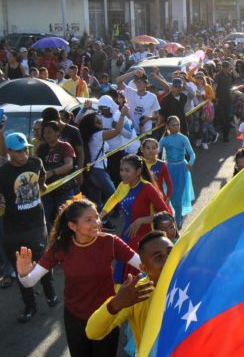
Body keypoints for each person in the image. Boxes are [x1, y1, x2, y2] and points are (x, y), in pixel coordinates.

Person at [15, 199, 140, 356]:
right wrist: (23, 274)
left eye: (96, 217)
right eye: (89, 220)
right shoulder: (61, 247)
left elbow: (144, 265)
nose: (96, 223)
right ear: (72, 226)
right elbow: (30, 281)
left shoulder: (111, 242)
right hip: (75, 318)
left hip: (106, 315)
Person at [0, 132, 57, 322]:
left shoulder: (36, 163)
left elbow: (42, 183)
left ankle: (50, 292)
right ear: (8, 151)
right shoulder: (2, 173)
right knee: (21, 269)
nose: (23, 154)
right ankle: (29, 305)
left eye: (25, 149)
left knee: (42, 262)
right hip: (13, 230)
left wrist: (44, 186)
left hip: (36, 225)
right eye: (18, 151)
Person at [85, 231, 169, 351]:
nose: (169, 259)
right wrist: (115, 304)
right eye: (159, 257)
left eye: (171, 252)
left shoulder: (195, 280)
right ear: (144, 268)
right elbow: (92, 332)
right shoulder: (136, 293)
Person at [101, 155, 168, 283]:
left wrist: (141, 220)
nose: (123, 174)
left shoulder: (147, 188)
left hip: (145, 240)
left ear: (138, 172)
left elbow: (165, 213)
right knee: (123, 277)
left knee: (142, 277)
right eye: (121, 170)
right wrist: (100, 216)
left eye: (127, 170)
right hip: (128, 236)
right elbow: (114, 198)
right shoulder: (123, 186)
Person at [77, 106, 130, 209]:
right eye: (98, 122)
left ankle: (102, 221)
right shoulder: (98, 135)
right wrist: (122, 115)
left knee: (96, 201)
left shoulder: (90, 136)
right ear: (91, 125)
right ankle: (118, 216)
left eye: (101, 121)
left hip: (91, 172)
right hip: (98, 171)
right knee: (114, 195)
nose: (101, 124)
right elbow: (117, 131)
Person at [35, 121, 77, 231]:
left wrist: (52, 172)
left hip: (64, 189)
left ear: (58, 133)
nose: (46, 135)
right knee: (44, 217)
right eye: (44, 132)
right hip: (45, 189)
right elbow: (35, 165)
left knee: (65, 216)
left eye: (49, 132)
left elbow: (69, 165)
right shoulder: (42, 148)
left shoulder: (65, 146)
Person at [159, 116, 195, 227]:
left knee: (177, 198)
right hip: (168, 170)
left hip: (182, 170)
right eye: (173, 125)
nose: (176, 127)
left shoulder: (183, 138)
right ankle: (172, 218)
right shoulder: (164, 140)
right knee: (168, 195)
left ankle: (178, 222)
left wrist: (190, 163)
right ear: (168, 126)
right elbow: (156, 153)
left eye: (178, 124)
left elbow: (192, 153)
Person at [116, 69, 161, 135]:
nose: (138, 84)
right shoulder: (130, 92)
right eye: (136, 82)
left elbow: (157, 115)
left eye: (140, 82)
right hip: (133, 131)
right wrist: (133, 72)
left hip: (146, 131)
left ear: (146, 83)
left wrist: (149, 118)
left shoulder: (152, 97)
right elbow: (118, 81)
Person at [141, 138, 172, 204]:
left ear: (158, 150)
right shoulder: (139, 165)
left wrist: (167, 199)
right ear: (142, 149)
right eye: (148, 148)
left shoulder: (162, 164)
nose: (151, 151)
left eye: (154, 148)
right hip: (144, 200)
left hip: (159, 199)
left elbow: (169, 184)